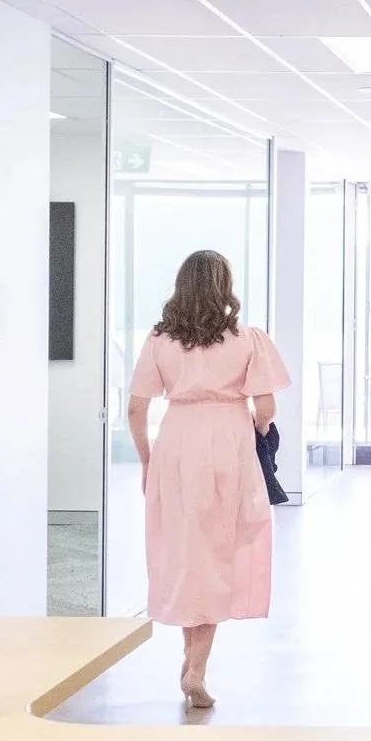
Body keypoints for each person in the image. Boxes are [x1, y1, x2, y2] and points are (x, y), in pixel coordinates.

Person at [127, 250, 291, 710]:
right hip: (228, 442)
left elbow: (136, 409)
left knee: (186, 553)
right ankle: (196, 668)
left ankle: (190, 660)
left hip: (176, 443)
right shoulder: (247, 339)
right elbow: (266, 409)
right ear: (225, 286)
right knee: (218, 553)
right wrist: (256, 431)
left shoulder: (159, 340)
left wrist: (146, 460)